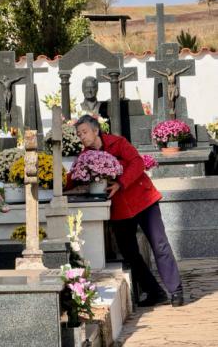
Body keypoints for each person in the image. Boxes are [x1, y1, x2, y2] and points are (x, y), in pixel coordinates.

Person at [72, 114, 184, 307]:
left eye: (84, 132)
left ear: (96, 130)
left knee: (160, 245)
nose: (82, 137)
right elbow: (74, 177)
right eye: (79, 134)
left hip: (143, 199)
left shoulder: (118, 142)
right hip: (120, 209)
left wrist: (121, 183)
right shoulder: (84, 157)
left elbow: (137, 163)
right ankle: (154, 291)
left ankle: (176, 291)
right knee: (129, 251)